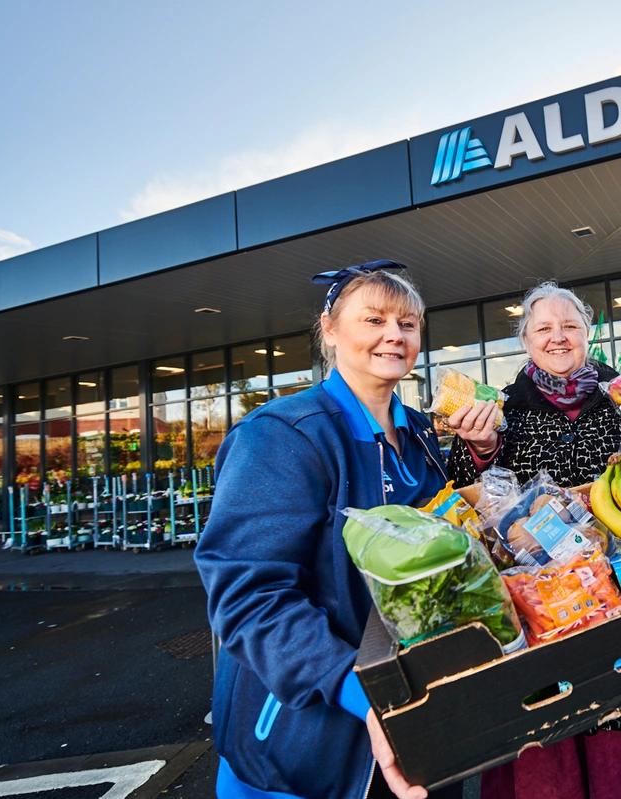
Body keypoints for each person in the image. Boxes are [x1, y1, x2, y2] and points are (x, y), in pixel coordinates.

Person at [445, 281, 621, 799]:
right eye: (543, 328)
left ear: (588, 334)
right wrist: (479, 449)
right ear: (525, 340)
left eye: (570, 326)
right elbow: (466, 501)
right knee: (551, 739)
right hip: (545, 606)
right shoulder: (500, 409)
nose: (558, 337)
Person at [195, 261, 452, 799]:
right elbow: (249, 596)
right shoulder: (284, 435)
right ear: (330, 330)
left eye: (408, 324)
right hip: (305, 745)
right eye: (373, 319)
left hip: (416, 718)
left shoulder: (422, 435)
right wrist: (362, 693)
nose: (393, 336)